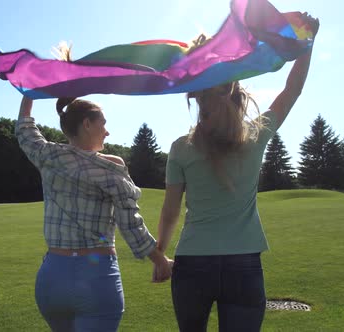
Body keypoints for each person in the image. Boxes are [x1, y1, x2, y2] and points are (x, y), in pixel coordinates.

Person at [153, 13, 320, 332]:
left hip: (192, 264)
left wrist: (160, 253)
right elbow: (292, 91)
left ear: (195, 96)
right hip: (243, 265)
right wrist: (307, 43)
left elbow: (171, 211)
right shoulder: (255, 135)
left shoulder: (180, 148)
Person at [16, 95, 172, 332]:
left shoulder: (49, 156)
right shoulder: (111, 167)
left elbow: (25, 129)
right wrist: (161, 261)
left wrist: (29, 92)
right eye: (103, 123)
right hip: (97, 278)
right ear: (87, 124)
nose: (107, 132)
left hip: (52, 278)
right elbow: (131, 226)